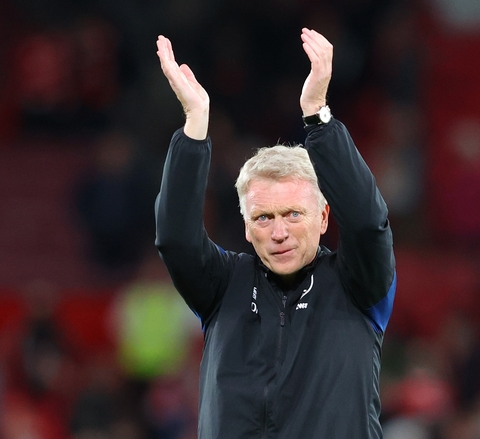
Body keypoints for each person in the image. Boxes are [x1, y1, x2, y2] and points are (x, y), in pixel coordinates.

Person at [154, 28, 397, 438]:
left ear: (323, 218)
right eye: (263, 218)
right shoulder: (222, 288)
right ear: (247, 228)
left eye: (293, 214)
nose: (279, 231)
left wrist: (317, 115)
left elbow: (368, 224)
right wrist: (195, 125)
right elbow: (176, 239)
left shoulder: (359, 285)